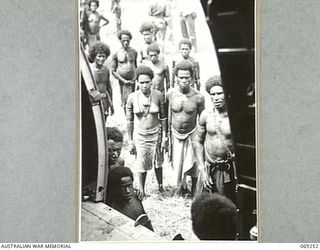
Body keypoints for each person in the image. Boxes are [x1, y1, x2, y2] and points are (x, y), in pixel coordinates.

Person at [126, 65, 167, 198]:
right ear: (137, 82)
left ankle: (161, 187)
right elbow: (129, 120)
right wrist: (130, 141)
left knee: (158, 162)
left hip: (156, 133)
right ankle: (142, 190)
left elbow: (163, 118)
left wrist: (165, 136)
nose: (144, 85)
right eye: (141, 82)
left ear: (152, 81)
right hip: (140, 135)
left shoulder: (158, 95)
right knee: (141, 163)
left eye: (147, 82)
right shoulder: (132, 97)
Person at [166, 60, 205, 197]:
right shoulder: (170, 94)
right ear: (176, 78)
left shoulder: (198, 97)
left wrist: (200, 138)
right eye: (181, 77)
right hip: (175, 133)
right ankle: (180, 188)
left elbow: (202, 118)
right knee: (177, 162)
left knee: (193, 163)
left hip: (192, 133)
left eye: (187, 77)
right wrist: (166, 135)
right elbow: (167, 114)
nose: (184, 80)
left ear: (192, 78)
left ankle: (194, 189)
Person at [195, 76, 237, 203]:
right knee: (206, 208)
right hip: (210, 169)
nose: (216, 97)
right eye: (213, 94)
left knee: (229, 207)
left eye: (220, 93)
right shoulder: (205, 115)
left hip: (229, 171)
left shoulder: (234, 117)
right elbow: (198, 142)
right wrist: (202, 170)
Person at [105, 166, 154, 231]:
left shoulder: (136, 197)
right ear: (115, 188)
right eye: (123, 187)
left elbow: (145, 220)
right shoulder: (112, 206)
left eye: (130, 186)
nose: (128, 191)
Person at [111, 30, 138, 113]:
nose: (126, 42)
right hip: (123, 81)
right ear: (120, 41)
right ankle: (127, 117)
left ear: (130, 40)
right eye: (123, 41)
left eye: (127, 40)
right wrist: (123, 80)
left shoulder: (134, 52)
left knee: (133, 98)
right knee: (124, 99)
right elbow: (113, 71)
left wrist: (135, 78)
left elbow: (135, 66)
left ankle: (133, 118)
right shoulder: (116, 53)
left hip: (132, 80)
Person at [88, 41, 114, 118]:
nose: (101, 59)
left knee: (104, 119)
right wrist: (97, 97)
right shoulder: (90, 71)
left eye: (103, 56)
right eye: (99, 56)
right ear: (94, 56)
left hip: (104, 99)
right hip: (93, 100)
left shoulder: (106, 70)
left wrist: (111, 103)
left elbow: (109, 87)